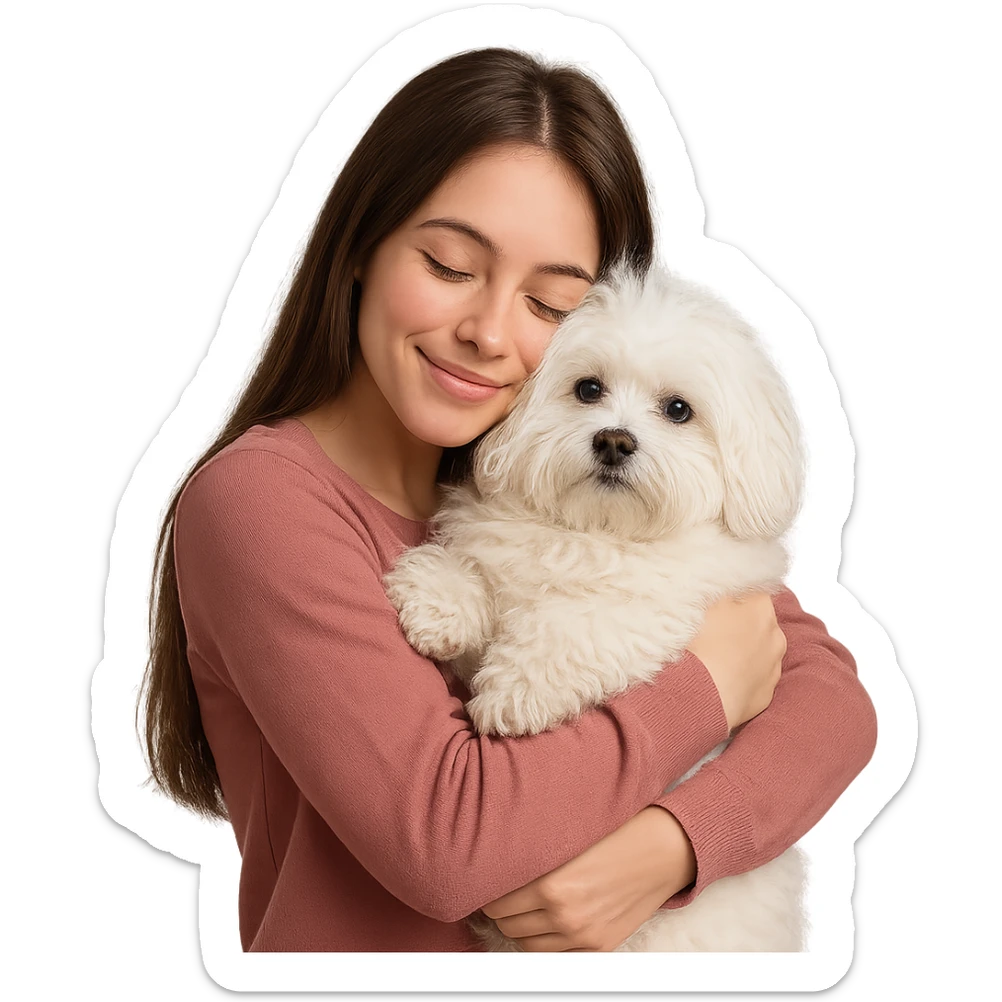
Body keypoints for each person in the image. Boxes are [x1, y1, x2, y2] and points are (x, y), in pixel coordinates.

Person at [139, 47, 876, 954]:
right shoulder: (262, 504)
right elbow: (448, 846)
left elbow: (832, 706)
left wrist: (673, 848)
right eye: (450, 265)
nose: (488, 333)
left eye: (550, 303)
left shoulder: (556, 488)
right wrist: (705, 692)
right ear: (360, 244)